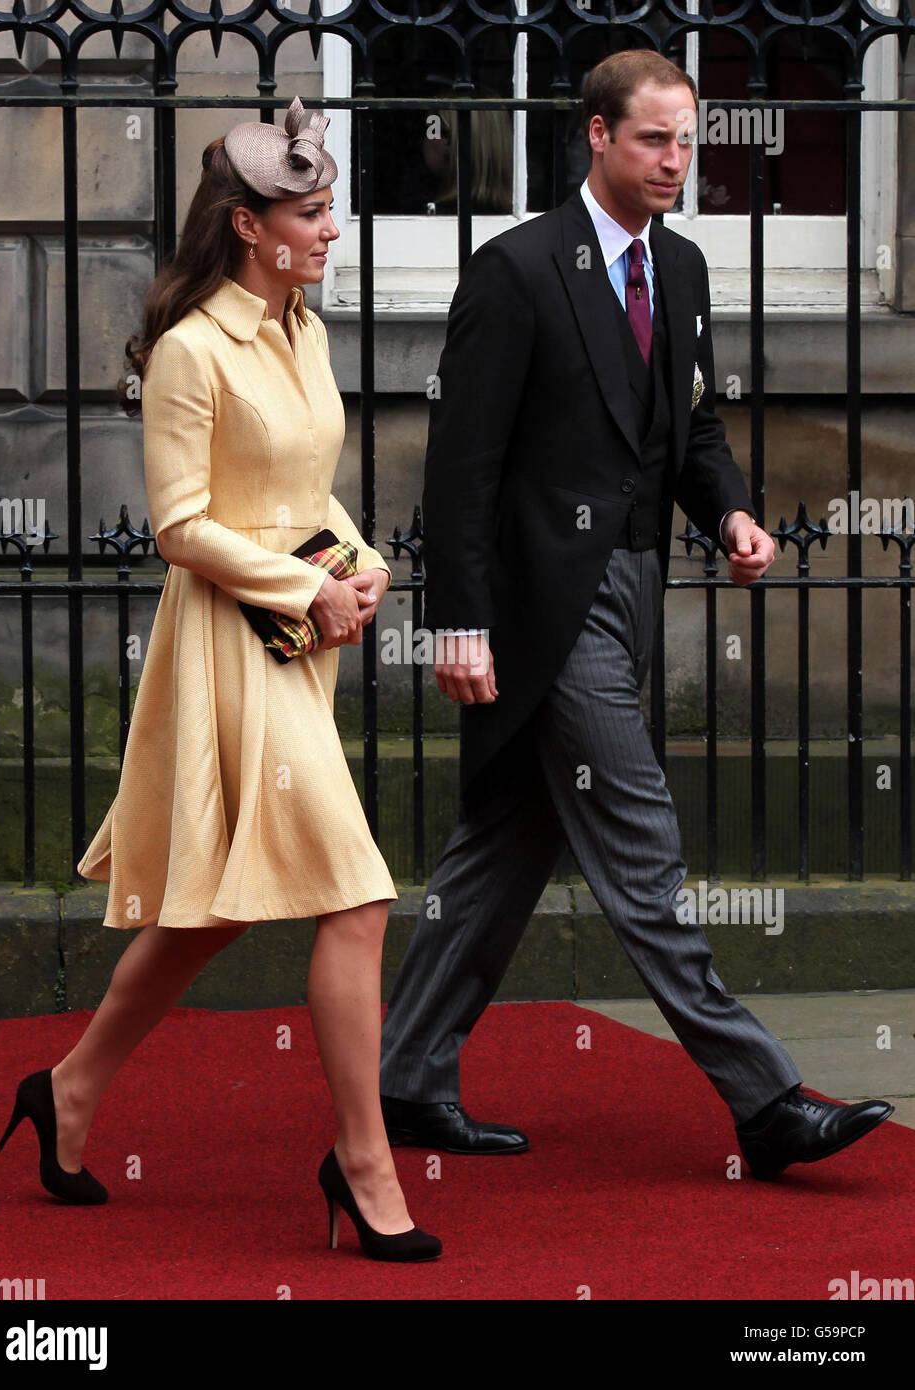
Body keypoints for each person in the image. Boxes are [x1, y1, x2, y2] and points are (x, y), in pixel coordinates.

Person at [378, 51, 894, 1180]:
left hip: (631, 589)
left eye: (686, 141)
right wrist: (456, 622)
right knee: (640, 839)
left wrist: (731, 515)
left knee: (504, 845)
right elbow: (459, 470)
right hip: (539, 615)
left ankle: (407, 1077)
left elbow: (687, 432)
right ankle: (763, 1103)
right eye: (655, 140)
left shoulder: (685, 268)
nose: (676, 161)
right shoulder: (513, 272)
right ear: (597, 137)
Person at [0, 97, 440, 1263]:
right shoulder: (194, 347)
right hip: (230, 642)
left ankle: (70, 1086)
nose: (329, 228)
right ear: (248, 225)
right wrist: (308, 591)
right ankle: (361, 1163)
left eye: (329, 207)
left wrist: (360, 557)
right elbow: (182, 527)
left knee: (222, 906)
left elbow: (302, 488)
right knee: (356, 898)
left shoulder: (302, 329)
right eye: (309, 213)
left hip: (302, 644)